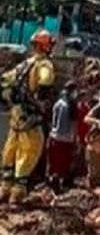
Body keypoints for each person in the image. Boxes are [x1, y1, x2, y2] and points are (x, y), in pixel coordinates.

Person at [0, 29, 57, 204]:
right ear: (45, 45)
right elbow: (46, 81)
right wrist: (41, 99)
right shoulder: (44, 65)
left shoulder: (23, 65)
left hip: (16, 118)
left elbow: (4, 80)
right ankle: (18, 193)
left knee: (10, 153)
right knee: (29, 153)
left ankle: (4, 189)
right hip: (31, 120)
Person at [47, 81, 78, 193]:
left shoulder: (58, 103)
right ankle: (60, 183)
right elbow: (74, 123)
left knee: (54, 162)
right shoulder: (71, 104)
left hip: (54, 136)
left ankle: (53, 181)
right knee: (64, 162)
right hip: (66, 138)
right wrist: (75, 138)